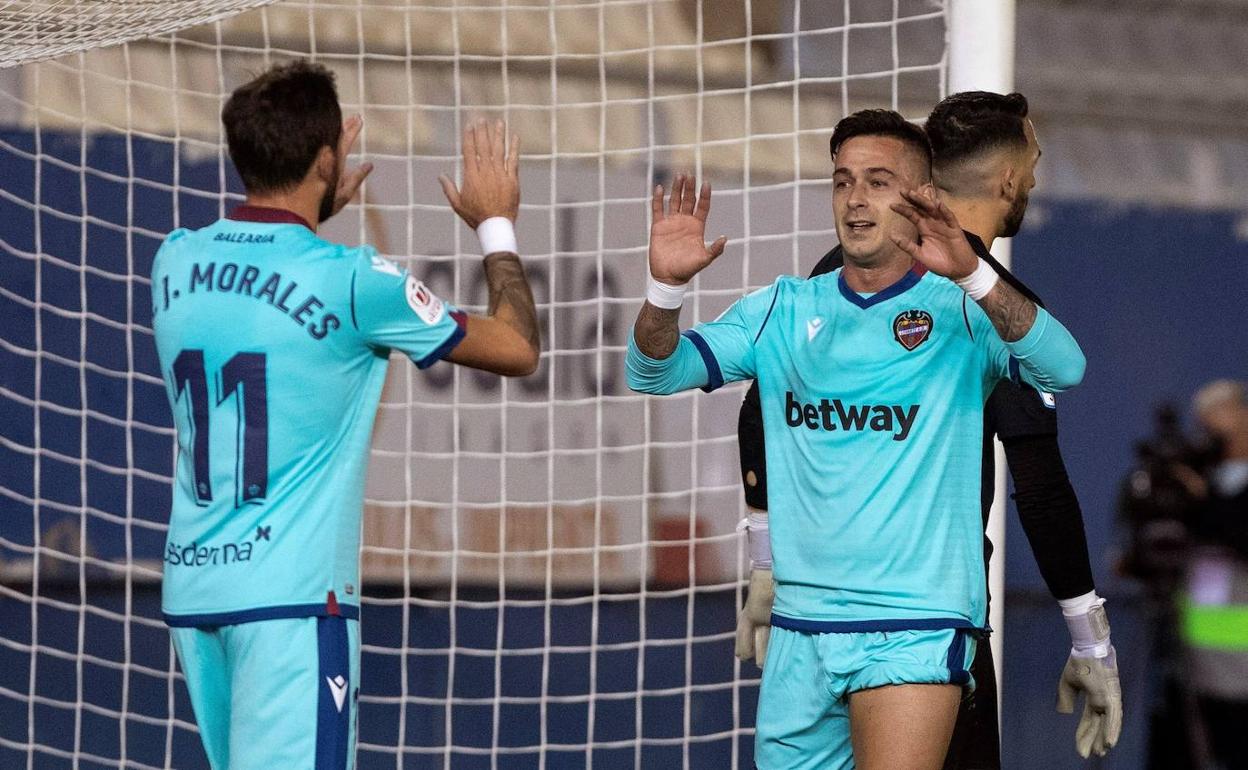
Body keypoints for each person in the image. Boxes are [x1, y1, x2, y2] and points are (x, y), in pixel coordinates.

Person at [626, 109, 1085, 769]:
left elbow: (1064, 369)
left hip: (915, 627)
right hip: (801, 633)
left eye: (877, 181)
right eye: (843, 182)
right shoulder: (781, 310)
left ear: (921, 196)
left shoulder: (964, 311)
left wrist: (976, 275)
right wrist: (665, 289)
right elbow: (652, 370)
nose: (856, 198)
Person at [150, 60, 539, 770]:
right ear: (329, 158)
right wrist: (496, 224)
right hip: (291, 605)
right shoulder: (354, 280)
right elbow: (516, 345)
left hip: (196, 591)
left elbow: (262, 266)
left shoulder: (174, 261)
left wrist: (314, 204)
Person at [734, 92, 1123, 766]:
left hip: (820, 614)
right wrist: (1090, 640)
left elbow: (756, 413)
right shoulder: (996, 309)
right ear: (1008, 179)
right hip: (925, 625)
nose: (1032, 179)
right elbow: (1039, 484)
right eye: (1032, 163)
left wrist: (767, 567)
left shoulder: (840, 271)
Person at [1177, 380, 1248, 767]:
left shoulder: (1213, 495)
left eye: (1218, 429)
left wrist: (1208, 502)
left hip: (1242, 674)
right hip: (1196, 668)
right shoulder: (1199, 484)